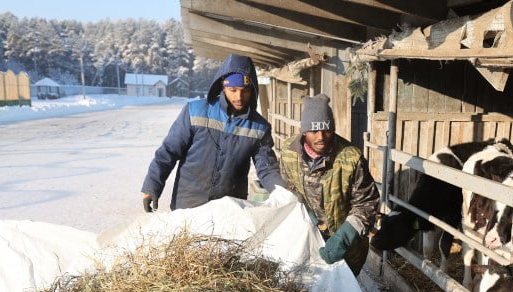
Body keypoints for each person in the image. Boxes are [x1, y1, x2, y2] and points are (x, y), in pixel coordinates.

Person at [140, 54, 284, 211]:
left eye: (245, 91)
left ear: (253, 90)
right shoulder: (194, 111)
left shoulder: (259, 127)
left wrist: (284, 192)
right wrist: (151, 186)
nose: (239, 97)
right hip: (188, 204)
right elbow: (168, 152)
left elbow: (267, 168)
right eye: (233, 90)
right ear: (223, 86)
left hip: (230, 208)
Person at [279, 94, 379, 275]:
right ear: (304, 130)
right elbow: (287, 188)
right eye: (314, 131)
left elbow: (367, 202)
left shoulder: (351, 158)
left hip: (347, 249)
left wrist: (346, 234)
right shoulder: (289, 153)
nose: (321, 137)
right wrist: (302, 210)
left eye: (327, 130)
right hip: (306, 242)